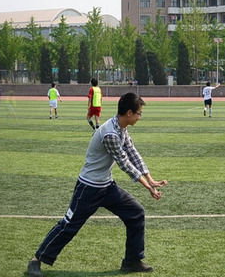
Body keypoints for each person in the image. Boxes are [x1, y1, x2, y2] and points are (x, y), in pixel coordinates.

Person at [29, 94, 166, 276]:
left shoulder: (121, 127)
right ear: (129, 113)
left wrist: (150, 179)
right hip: (88, 188)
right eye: (139, 113)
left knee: (136, 213)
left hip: (107, 187)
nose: (140, 117)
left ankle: (132, 261)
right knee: (69, 225)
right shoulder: (110, 133)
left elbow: (132, 152)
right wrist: (147, 186)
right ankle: (36, 260)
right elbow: (124, 163)